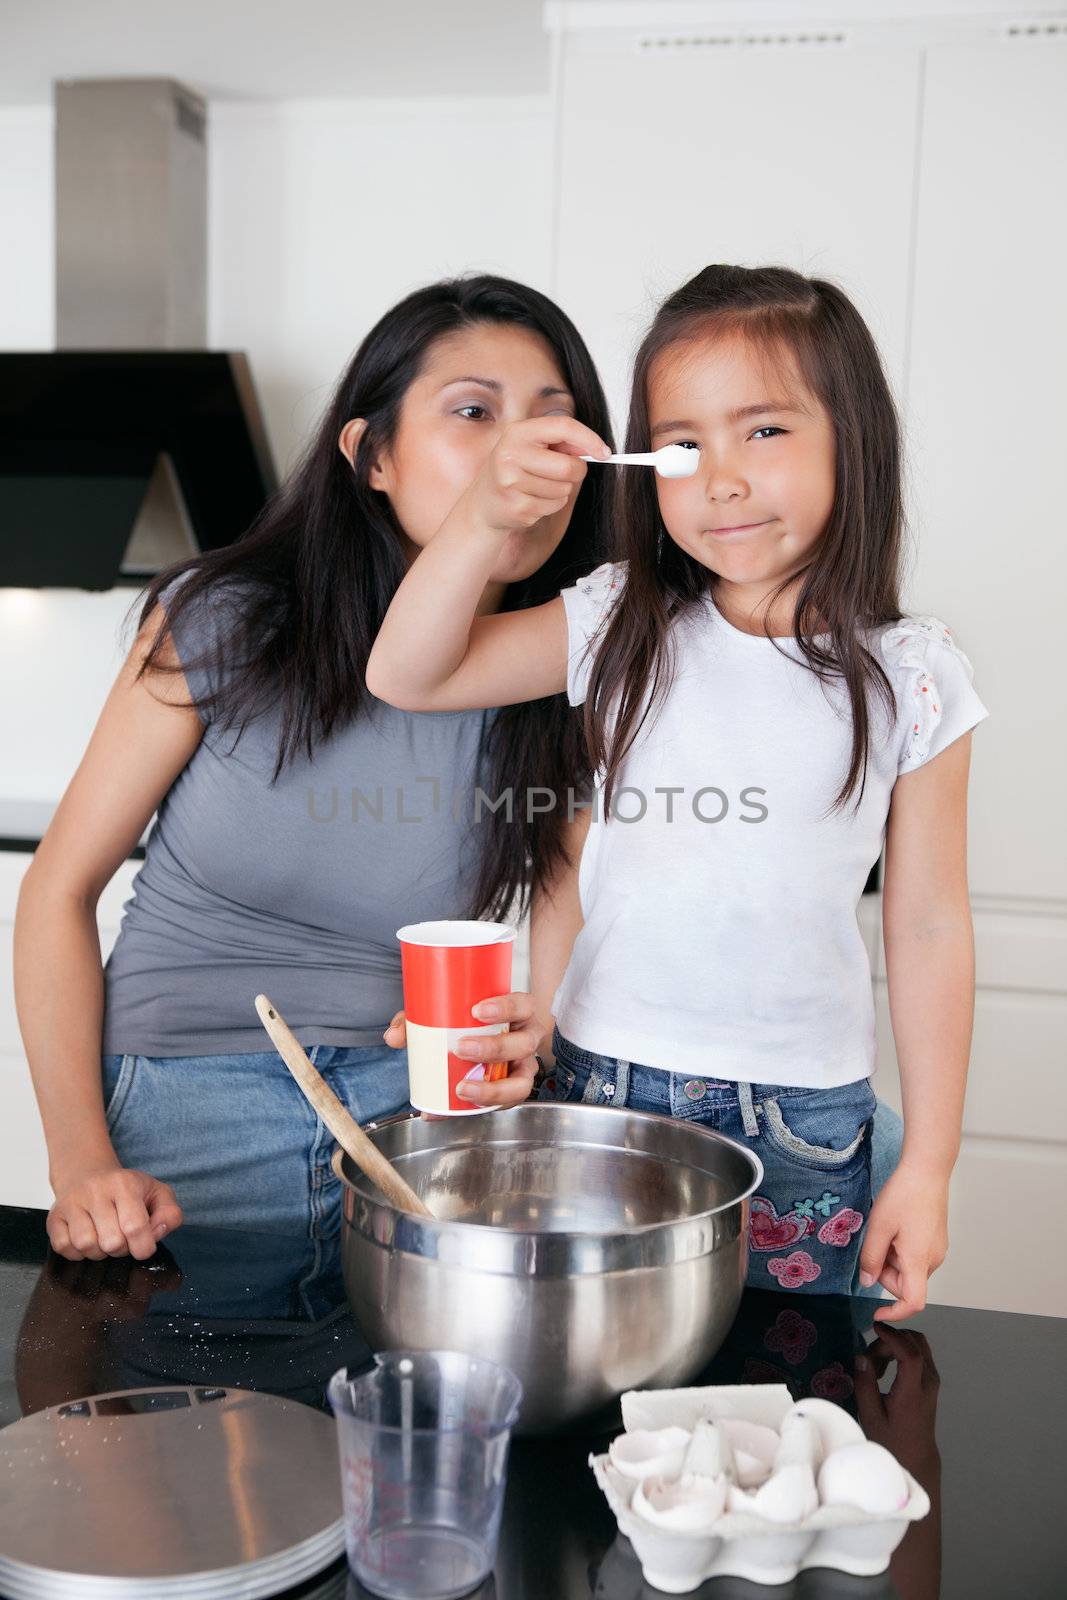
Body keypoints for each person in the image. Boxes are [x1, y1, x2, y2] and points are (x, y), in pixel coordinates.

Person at [365, 264, 989, 1319]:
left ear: (853, 439)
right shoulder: (619, 622)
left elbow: (928, 925)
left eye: (763, 432)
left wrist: (925, 1165)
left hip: (802, 1119)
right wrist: (482, 516)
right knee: (592, 1380)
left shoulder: (912, 675)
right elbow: (408, 673)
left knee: (775, 1399)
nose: (720, 480)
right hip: (596, 1089)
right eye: (683, 444)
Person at [14, 274, 612, 1263]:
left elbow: (563, 905)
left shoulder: (568, 658)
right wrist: (80, 1160)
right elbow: (57, 889)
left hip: (413, 1125)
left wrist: (528, 1046)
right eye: (473, 412)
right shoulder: (225, 621)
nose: (526, 451)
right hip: (174, 1100)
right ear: (369, 455)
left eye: (556, 421)